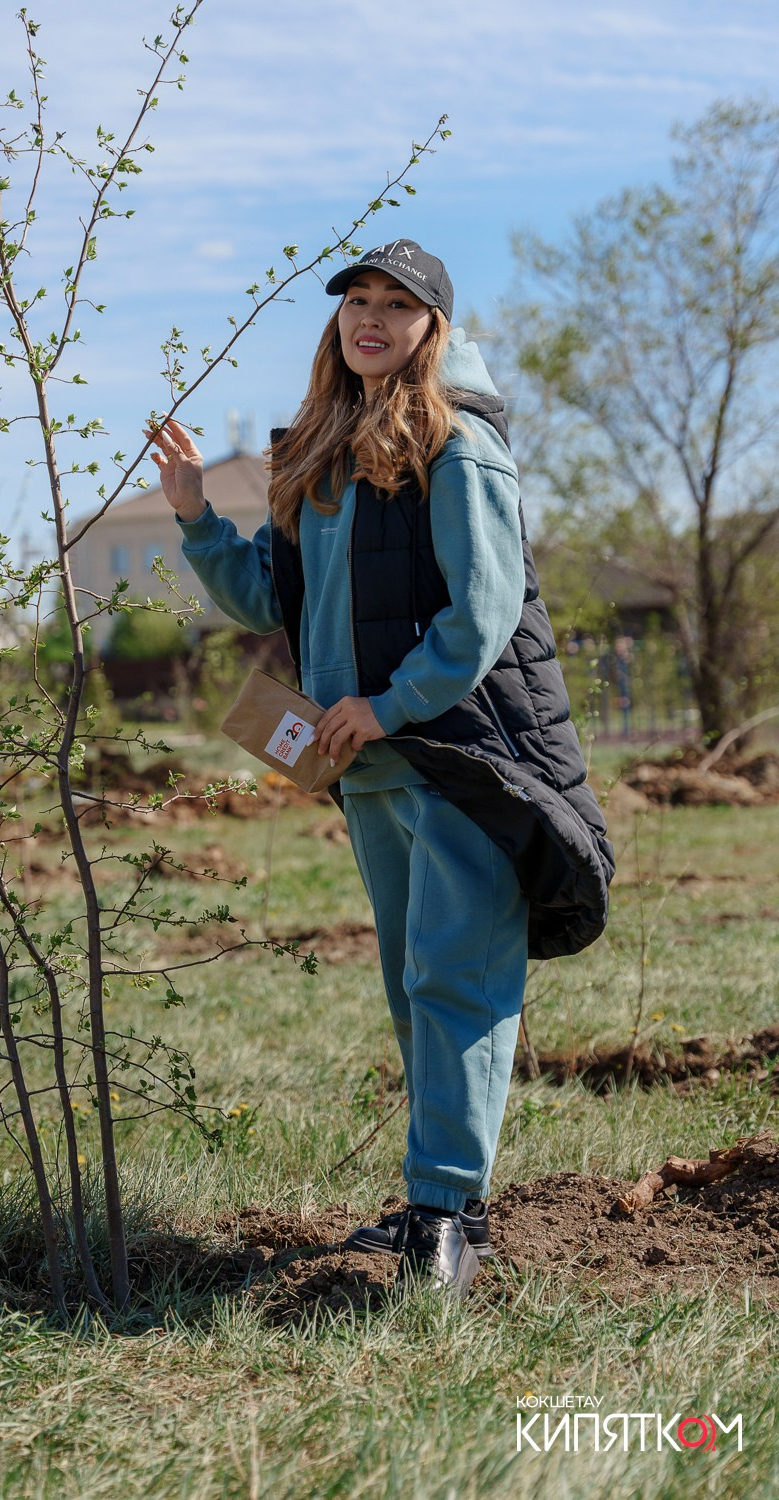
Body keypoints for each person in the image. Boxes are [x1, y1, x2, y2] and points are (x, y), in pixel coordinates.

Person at [147, 239, 614, 1298]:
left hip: (463, 756)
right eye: (357, 299)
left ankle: (440, 1218)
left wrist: (389, 702)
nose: (371, 317)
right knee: (417, 992)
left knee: (455, 980)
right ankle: (457, 1208)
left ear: (431, 327)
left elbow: (481, 614)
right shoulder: (323, 451)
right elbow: (278, 600)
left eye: (397, 305)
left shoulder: (457, 447)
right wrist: (191, 513)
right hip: (367, 768)